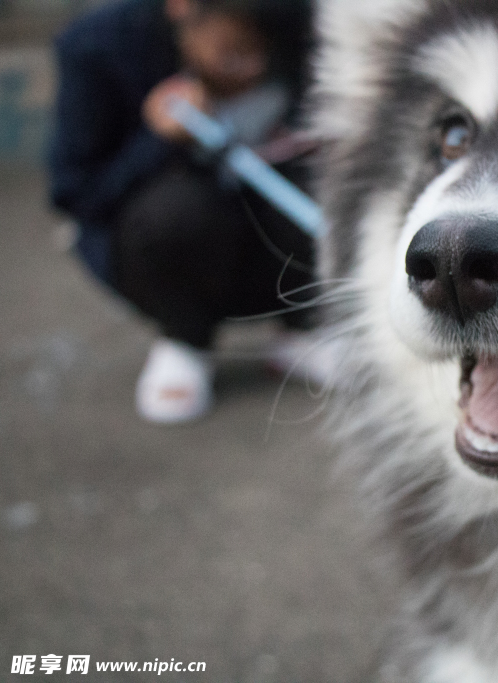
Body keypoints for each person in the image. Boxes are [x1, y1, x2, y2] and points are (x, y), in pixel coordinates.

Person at [48, 0, 323, 424]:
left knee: (337, 186)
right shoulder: (99, 47)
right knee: (175, 213)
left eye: (266, 48)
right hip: (173, 246)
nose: (255, 67)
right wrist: (156, 139)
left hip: (276, 236)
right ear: (182, 8)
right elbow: (77, 193)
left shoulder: (303, 25)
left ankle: (303, 326)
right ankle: (185, 339)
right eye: (236, 51)